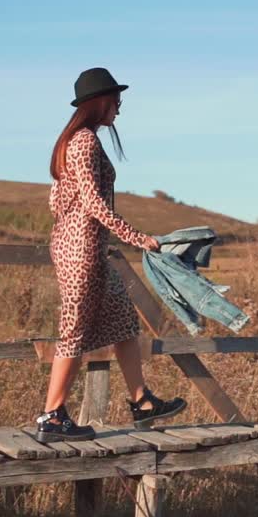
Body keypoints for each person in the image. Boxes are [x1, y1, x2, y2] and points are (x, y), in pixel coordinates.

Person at [36, 67, 188, 442]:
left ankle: (142, 402)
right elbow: (91, 202)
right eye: (116, 100)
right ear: (99, 102)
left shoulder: (73, 141)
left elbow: (58, 200)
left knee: (123, 318)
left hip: (83, 246)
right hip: (81, 249)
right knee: (73, 332)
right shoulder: (84, 141)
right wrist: (138, 238)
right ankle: (51, 417)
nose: (119, 108)